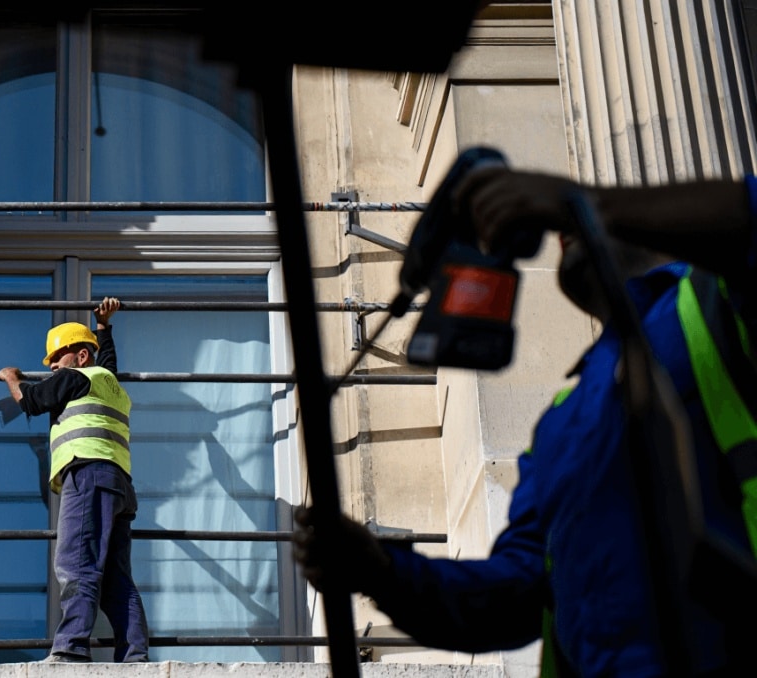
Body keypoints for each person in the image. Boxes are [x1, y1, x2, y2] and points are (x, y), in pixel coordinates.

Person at [293, 167, 757, 676]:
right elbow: (513, 596)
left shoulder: (720, 305)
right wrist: (381, 572)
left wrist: (585, 202)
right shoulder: (562, 421)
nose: (561, 231)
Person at [0, 297, 150, 664]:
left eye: (57, 357)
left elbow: (31, 401)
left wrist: (11, 377)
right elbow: (108, 362)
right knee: (116, 577)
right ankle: (135, 656)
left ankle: (71, 648)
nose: (52, 367)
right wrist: (104, 328)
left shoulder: (74, 377)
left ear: (81, 356)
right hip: (119, 485)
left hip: (88, 475)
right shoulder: (107, 381)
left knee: (76, 562)